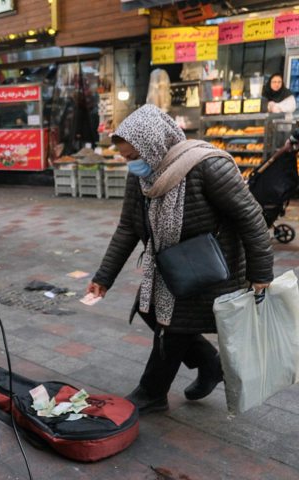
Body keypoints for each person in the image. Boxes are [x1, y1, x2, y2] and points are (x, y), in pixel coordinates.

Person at [86, 105, 274, 413]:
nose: (130, 165)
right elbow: (127, 228)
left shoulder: (207, 165)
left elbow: (251, 217)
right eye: (125, 158)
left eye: (133, 157)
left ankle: (152, 392)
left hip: (213, 266)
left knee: (171, 326)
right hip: (173, 265)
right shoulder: (143, 178)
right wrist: (103, 277)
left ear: (154, 145)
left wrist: (261, 271)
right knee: (149, 310)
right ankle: (210, 365)